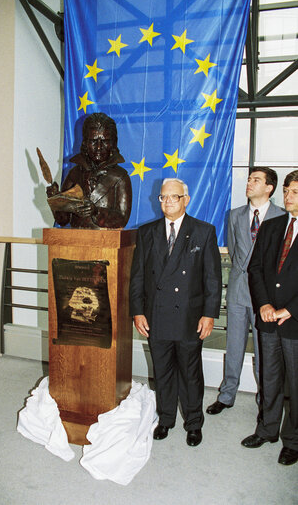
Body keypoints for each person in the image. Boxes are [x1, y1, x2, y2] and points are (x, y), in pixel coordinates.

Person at [129, 178, 221, 446]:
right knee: (163, 371)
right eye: (163, 197)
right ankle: (166, 418)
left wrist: (209, 314)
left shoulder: (203, 231)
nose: (168, 202)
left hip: (189, 317)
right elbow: (138, 277)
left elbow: (212, 279)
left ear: (186, 199)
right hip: (155, 315)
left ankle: (193, 422)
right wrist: (137, 311)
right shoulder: (147, 232)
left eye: (174, 197)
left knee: (190, 373)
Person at [207, 167, 283, 415]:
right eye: (249, 179)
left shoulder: (281, 217)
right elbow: (233, 248)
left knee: (265, 351)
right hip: (239, 291)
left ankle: (266, 400)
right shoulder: (235, 215)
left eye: (256, 180)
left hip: (267, 297)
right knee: (234, 346)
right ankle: (227, 394)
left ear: (269, 187)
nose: (249, 183)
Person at [241, 170, 298, 466]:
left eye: (295, 193)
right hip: (267, 318)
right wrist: (263, 304)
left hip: (294, 322)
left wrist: (289, 310)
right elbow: (256, 269)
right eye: (287, 191)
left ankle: (293, 441)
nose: (288, 197)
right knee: (270, 377)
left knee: (296, 384)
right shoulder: (273, 225)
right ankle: (268, 429)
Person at [46, 112, 132, 229]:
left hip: (107, 242)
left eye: (105, 141)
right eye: (93, 141)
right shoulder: (74, 174)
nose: (98, 147)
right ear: (85, 143)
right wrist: (56, 201)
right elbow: (63, 220)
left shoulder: (120, 177)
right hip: (74, 241)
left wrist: (96, 212)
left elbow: (122, 219)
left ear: (112, 143)